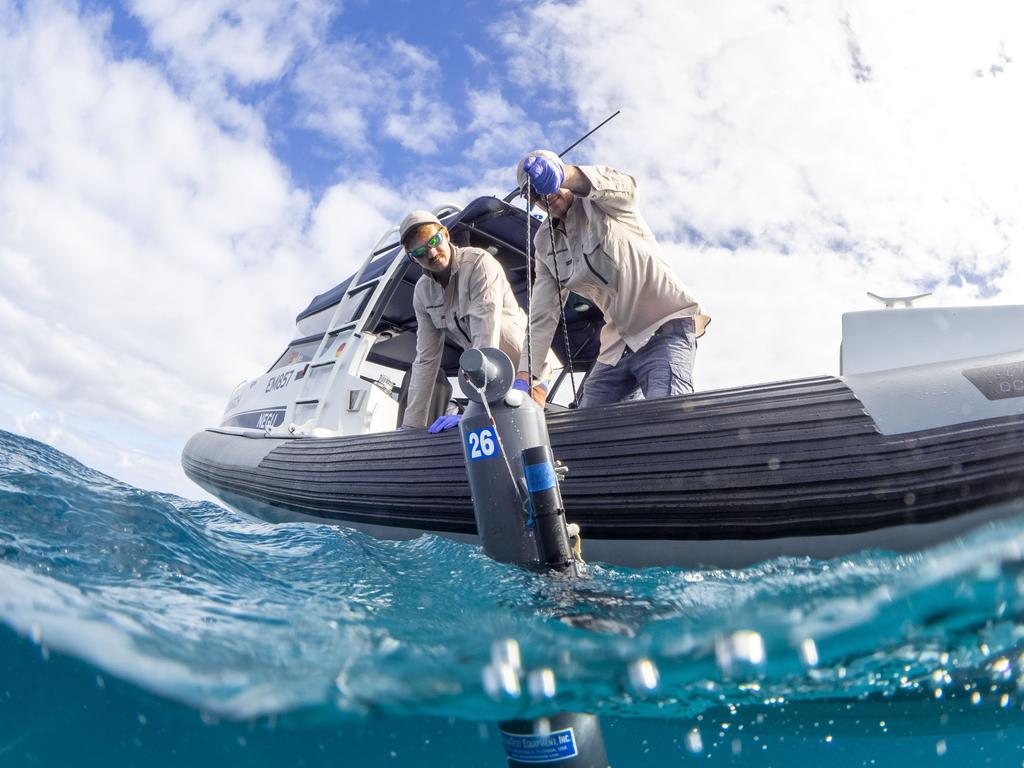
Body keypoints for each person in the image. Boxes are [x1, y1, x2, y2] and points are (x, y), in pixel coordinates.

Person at [514, 150, 709, 407]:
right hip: (617, 346)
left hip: (664, 327)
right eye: (535, 193)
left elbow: (626, 187)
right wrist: (524, 378)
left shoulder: (598, 201)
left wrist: (566, 174)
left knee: (668, 419)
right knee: (587, 430)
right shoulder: (543, 242)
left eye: (550, 184)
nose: (546, 194)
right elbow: (542, 314)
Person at [398, 210, 557, 432]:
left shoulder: (479, 262)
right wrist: (409, 427)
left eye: (434, 241)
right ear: (413, 258)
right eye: (421, 252)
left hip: (528, 370)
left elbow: (485, 334)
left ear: (445, 234)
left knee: (517, 430)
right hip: (485, 376)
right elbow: (426, 359)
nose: (432, 253)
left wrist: (479, 411)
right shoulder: (422, 293)